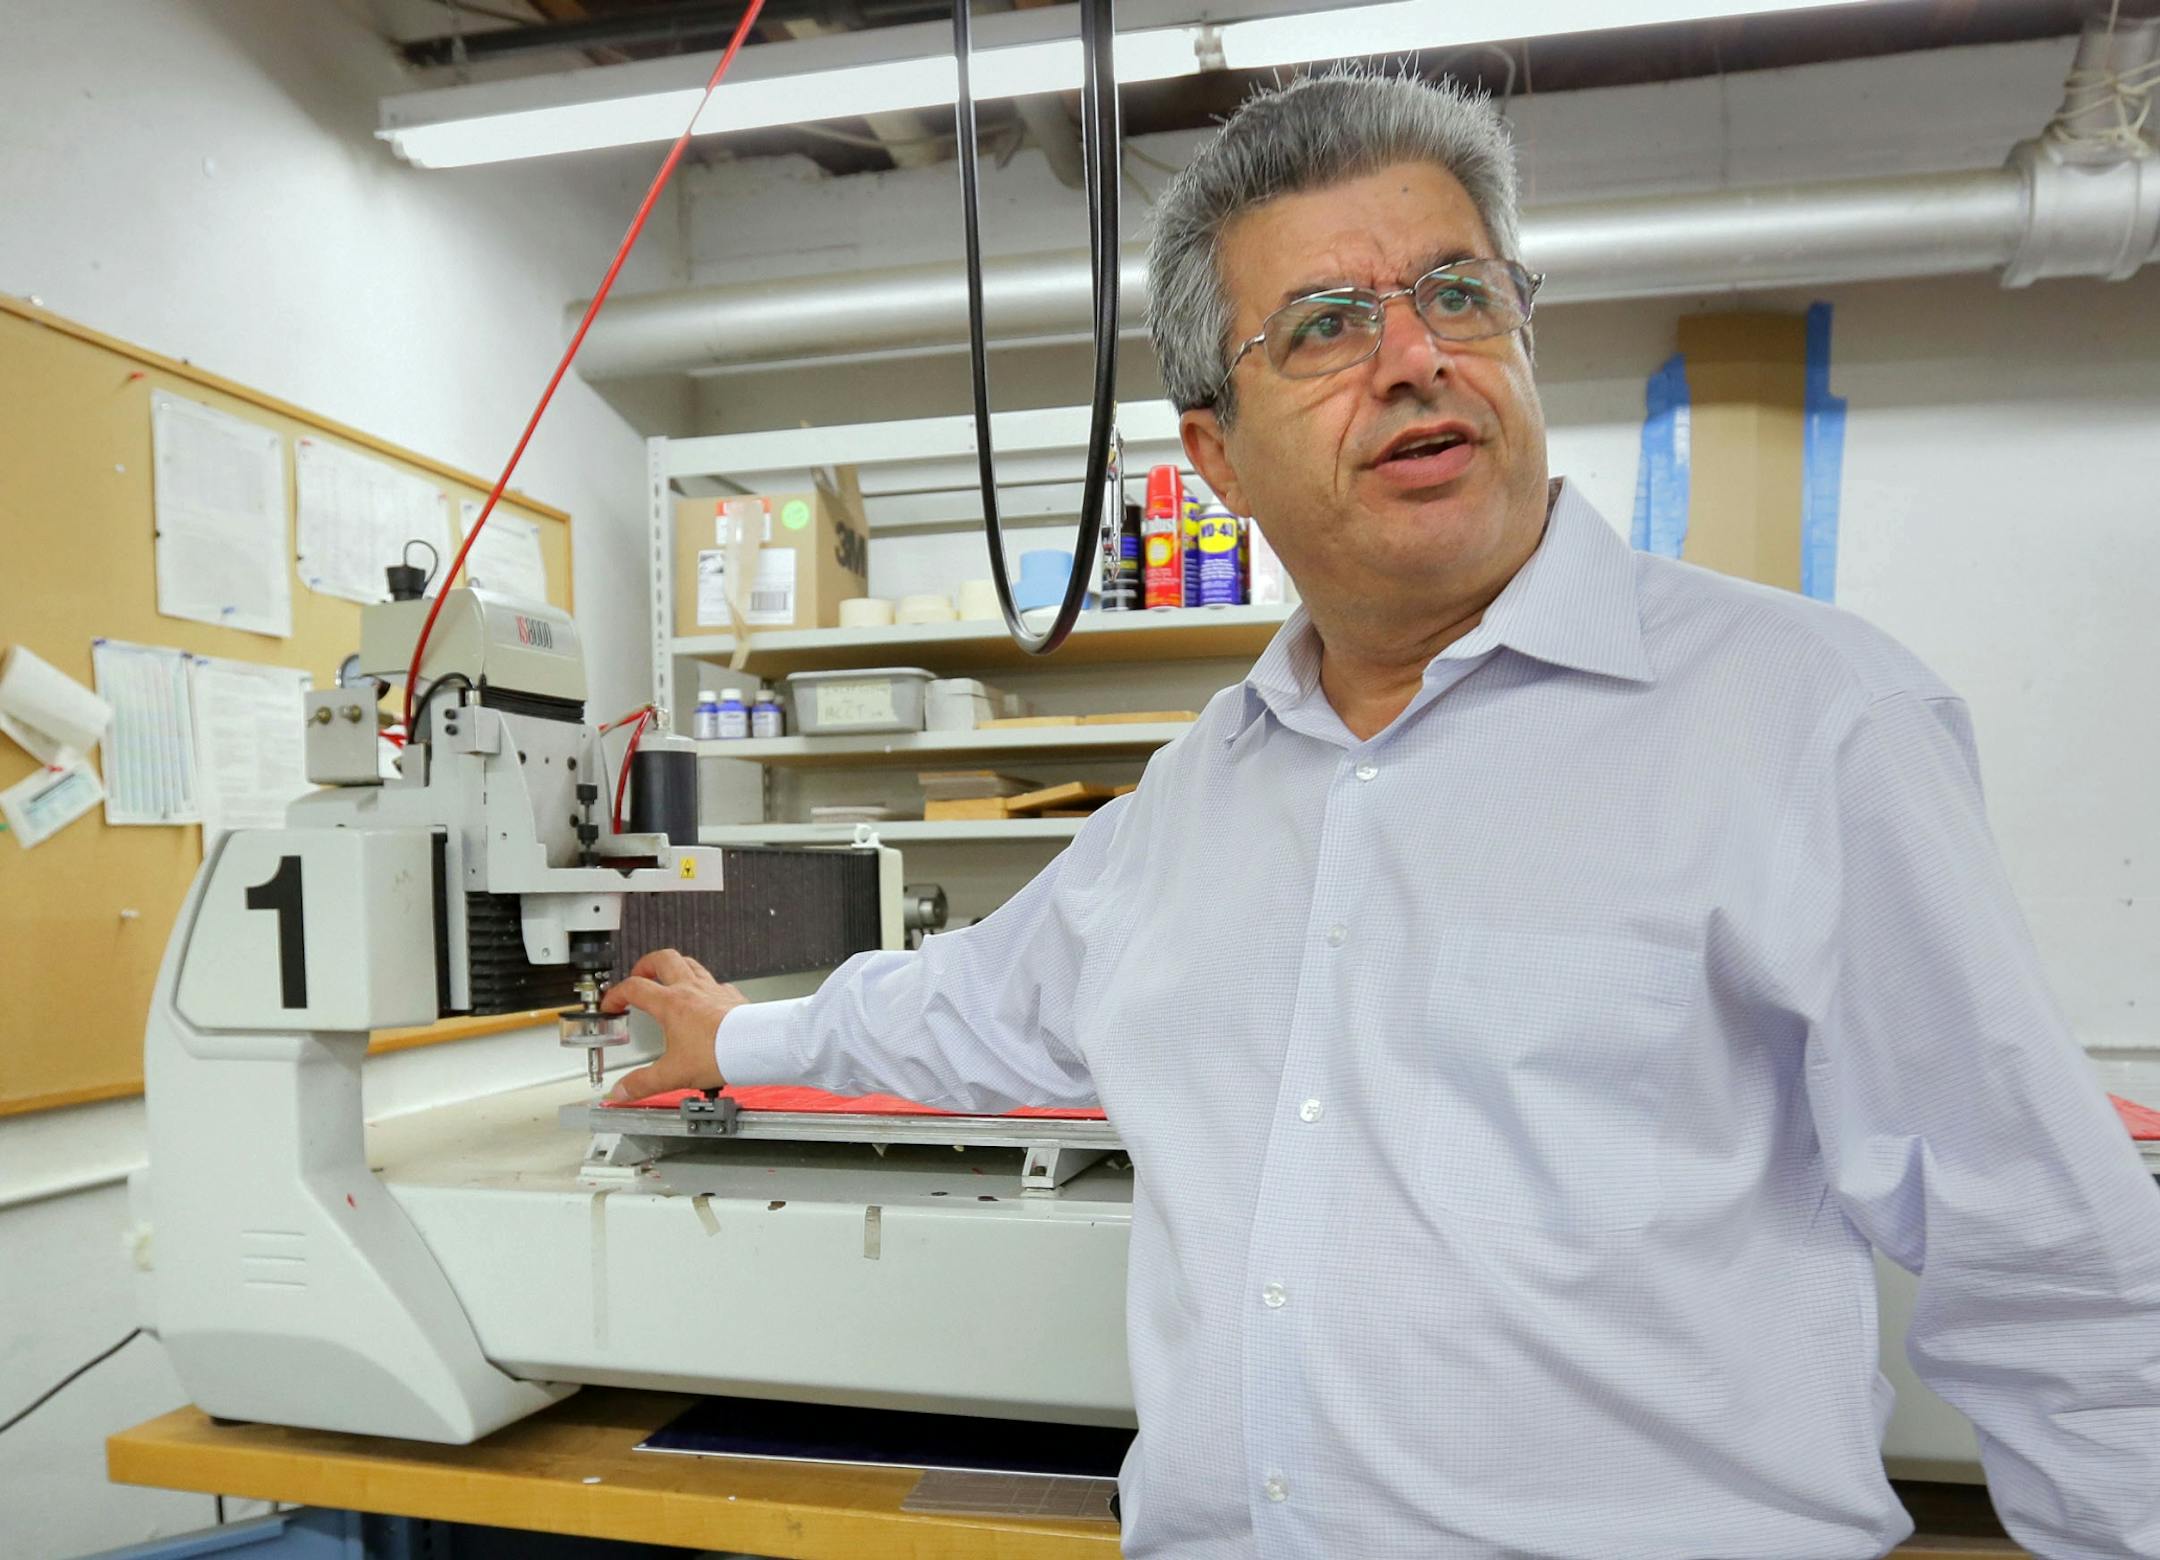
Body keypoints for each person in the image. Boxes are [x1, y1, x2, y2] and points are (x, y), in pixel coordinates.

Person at [604, 70, 2160, 1559]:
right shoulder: (1206, 788)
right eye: (1330, 325)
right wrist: (737, 1040)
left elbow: (2050, 1260)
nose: (1415, 356)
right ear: (1215, 451)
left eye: (1459, 292)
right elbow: (979, 1007)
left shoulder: (1810, 722)